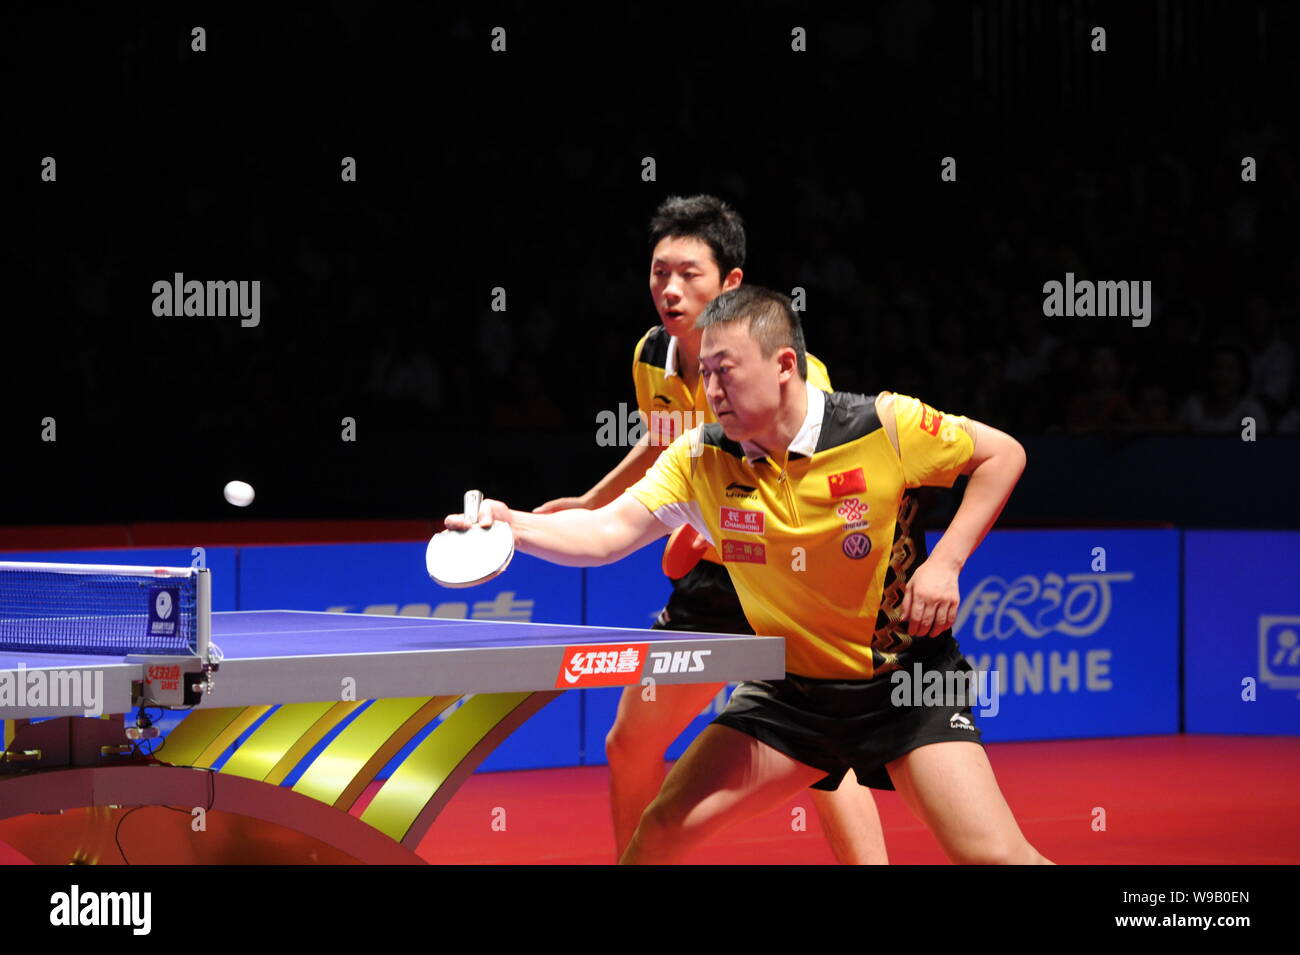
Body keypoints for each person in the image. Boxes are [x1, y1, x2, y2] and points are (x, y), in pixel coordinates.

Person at [449, 285, 1053, 865]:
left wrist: (946, 562)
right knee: (662, 828)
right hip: (790, 695)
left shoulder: (883, 425)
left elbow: (1003, 454)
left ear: (784, 363)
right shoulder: (700, 457)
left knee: (991, 855)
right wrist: (514, 527)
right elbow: (606, 535)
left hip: (905, 688)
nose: (711, 388)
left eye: (726, 370)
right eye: (705, 372)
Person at [534, 195, 887, 863]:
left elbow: (802, 497)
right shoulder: (653, 357)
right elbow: (664, 447)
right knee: (630, 741)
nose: (670, 288)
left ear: (731, 283)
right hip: (714, 582)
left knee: (822, 759)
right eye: (659, 271)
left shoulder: (794, 371)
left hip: (791, 575)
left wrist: (705, 531)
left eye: (689, 274)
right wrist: (589, 503)